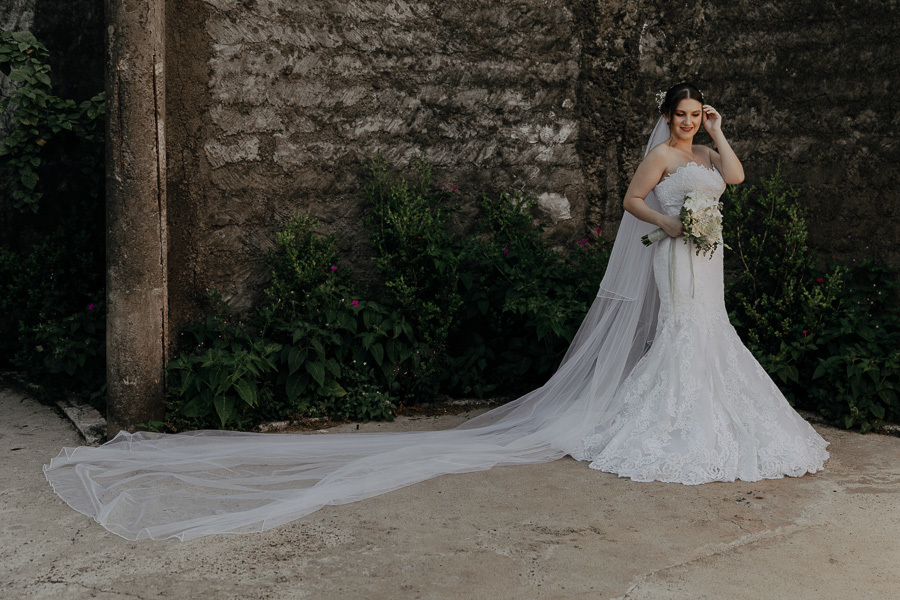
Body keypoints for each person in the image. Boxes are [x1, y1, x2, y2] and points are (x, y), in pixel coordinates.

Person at [44, 83, 828, 541]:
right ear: (668, 118)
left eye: (697, 115)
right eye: (685, 115)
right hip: (675, 256)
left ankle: (712, 416)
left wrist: (723, 132)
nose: (691, 124)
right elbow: (630, 201)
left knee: (709, 333)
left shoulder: (704, 152)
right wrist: (670, 225)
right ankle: (661, 421)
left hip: (708, 259)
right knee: (686, 333)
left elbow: (741, 177)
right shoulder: (660, 157)